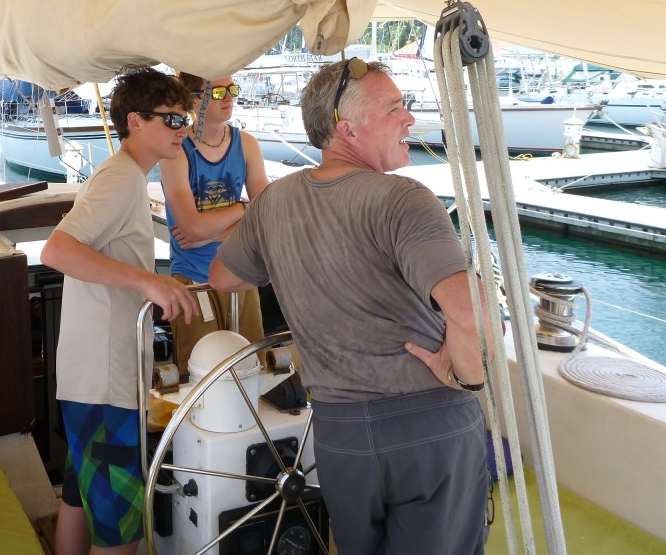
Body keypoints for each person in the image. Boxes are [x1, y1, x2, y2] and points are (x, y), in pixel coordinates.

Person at [209, 58, 494, 555]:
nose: (410, 119)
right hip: (427, 425)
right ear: (347, 128)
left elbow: (224, 277)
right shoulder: (403, 199)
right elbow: (469, 314)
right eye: (395, 108)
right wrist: (469, 378)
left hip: (342, 437)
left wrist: (296, 260)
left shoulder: (274, 203)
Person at [40, 67, 200, 555]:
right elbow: (57, 251)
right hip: (104, 385)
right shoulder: (121, 178)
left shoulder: (125, 175)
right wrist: (146, 281)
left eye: (187, 118)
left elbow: (104, 256)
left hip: (92, 379)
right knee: (121, 533)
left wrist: (152, 279)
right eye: (172, 120)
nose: (185, 129)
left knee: (79, 496)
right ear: (135, 120)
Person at [160, 72, 270, 375]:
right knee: (200, 377)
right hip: (193, 280)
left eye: (232, 89)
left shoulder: (246, 144)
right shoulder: (175, 152)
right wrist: (244, 210)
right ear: (194, 99)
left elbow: (267, 214)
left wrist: (213, 230)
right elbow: (191, 229)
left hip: (240, 272)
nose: (230, 97)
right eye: (219, 93)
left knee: (252, 369)